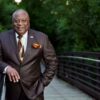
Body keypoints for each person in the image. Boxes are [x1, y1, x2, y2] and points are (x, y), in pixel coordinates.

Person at [0, 9, 58, 100]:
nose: (20, 24)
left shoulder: (41, 38)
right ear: (12, 22)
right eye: (16, 21)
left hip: (35, 91)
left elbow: (52, 63)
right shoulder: (2, 38)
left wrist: (42, 83)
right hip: (12, 92)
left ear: (28, 22)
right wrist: (6, 68)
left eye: (23, 20)